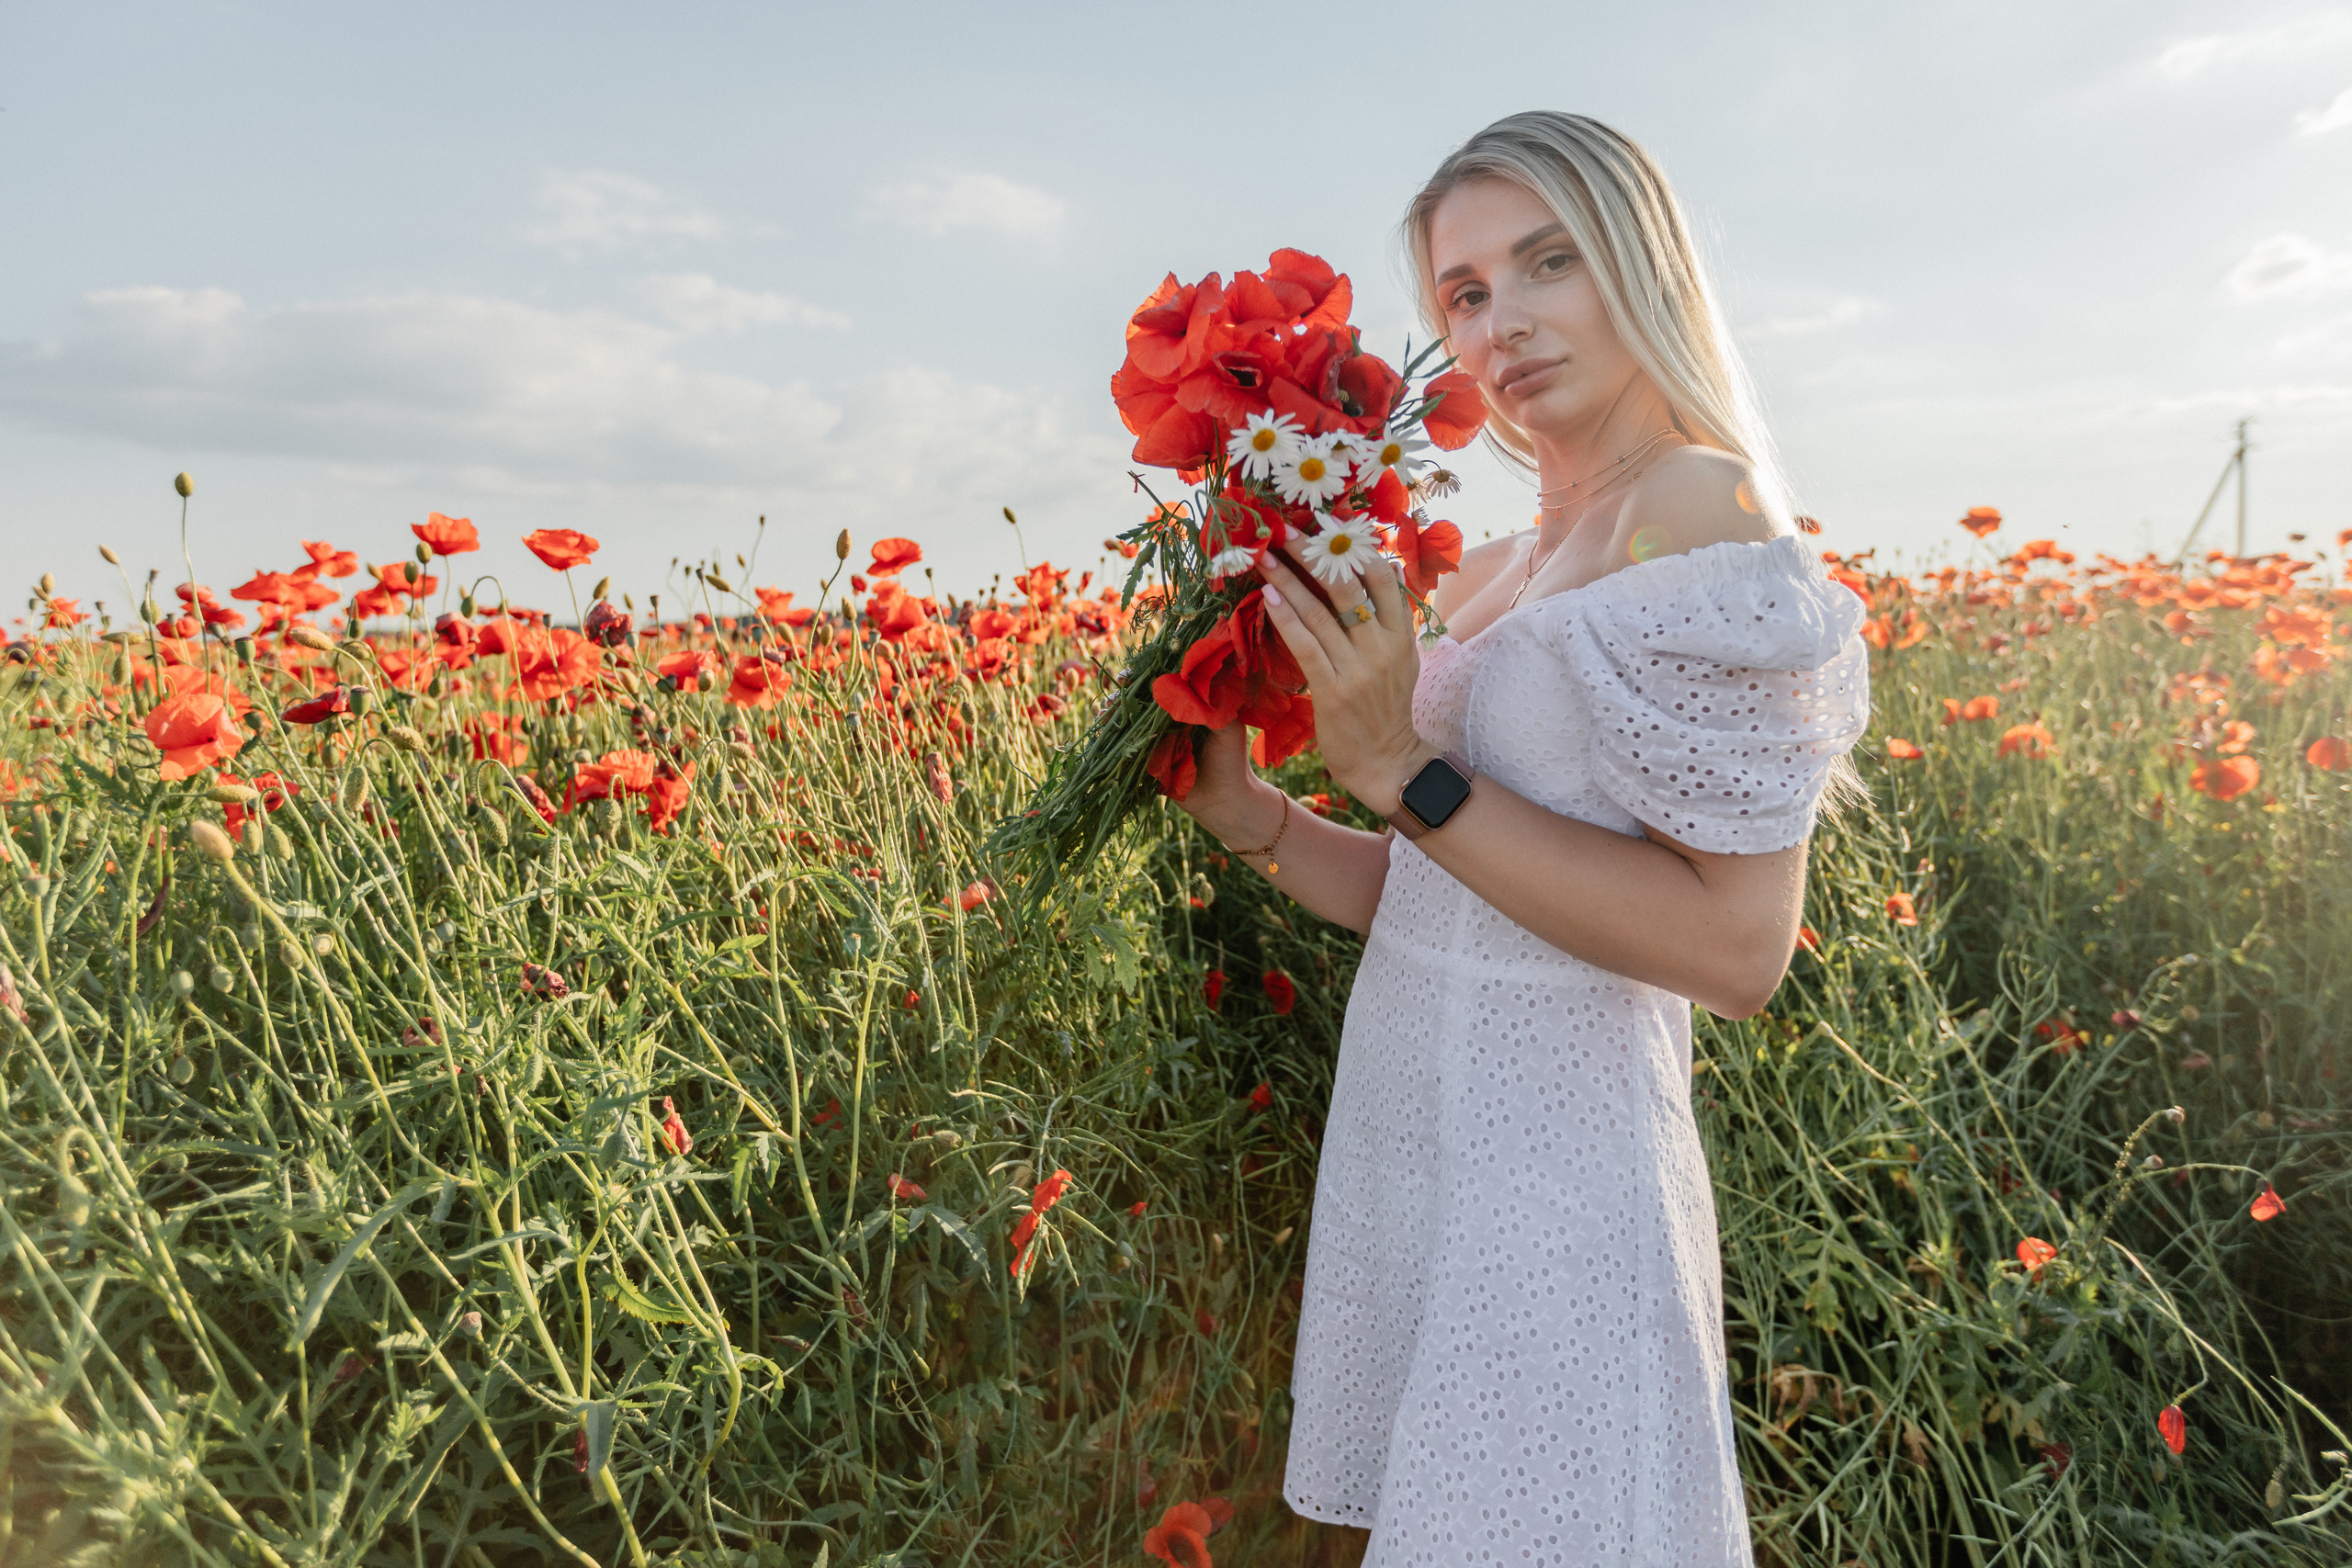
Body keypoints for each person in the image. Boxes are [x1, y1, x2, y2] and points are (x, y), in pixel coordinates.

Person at [1173, 111, 1870, 1565]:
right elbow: (1447, 899)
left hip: (1561, 1182)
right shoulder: (1494, 562)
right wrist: (1257, 822)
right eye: (1467, 293)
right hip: (1423, 1150)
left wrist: (1401, 768)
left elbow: (1738, 950)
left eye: (1551, 261)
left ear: (1642, 263)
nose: (1506, 322)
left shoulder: (1700, 508)